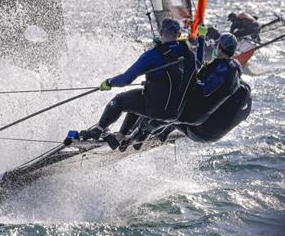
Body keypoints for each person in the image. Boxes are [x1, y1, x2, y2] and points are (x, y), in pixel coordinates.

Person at [71, 18, 196, 147]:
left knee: (119, 101)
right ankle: (123, 136)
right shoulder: (190, 55)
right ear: (179, 35)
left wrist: (109, 82)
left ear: (160, 32)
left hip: (156, 109)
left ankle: (98, 130)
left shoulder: (152, 55)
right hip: (177, 113)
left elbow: (126, 79)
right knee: (137, 97)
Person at [146, 29, 245, 146]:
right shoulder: (232, 73)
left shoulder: (220, 70)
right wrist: (201, 40)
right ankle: (162, 132)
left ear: (218, 47)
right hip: (214, 131)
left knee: (166, 103)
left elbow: (199, 82)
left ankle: (144, 132)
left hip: (199, 129)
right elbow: (199, 65)